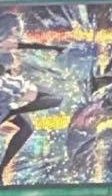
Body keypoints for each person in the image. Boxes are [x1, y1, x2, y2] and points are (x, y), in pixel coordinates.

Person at [0, 12, 66, 184]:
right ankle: (10, 111)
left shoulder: (10, 44)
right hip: (5, 92)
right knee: (54, 98)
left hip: (8, 91)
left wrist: (54, 49)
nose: (18, 35)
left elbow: (30, 45)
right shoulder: (5, 44)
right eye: (16, 31)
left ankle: (1, 168)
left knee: (27, 127)